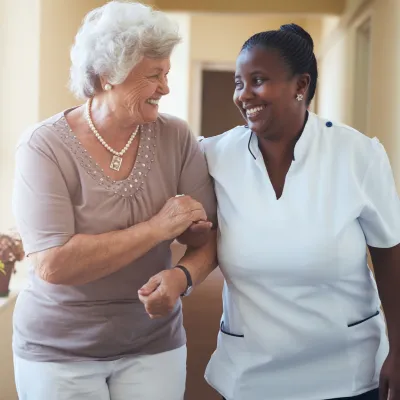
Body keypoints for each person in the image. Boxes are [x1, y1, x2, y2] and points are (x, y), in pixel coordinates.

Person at [140, 24, 400, 400]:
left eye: (258, 80)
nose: (244, 95)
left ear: (301, 85)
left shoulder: (358, 155)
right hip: (252, 374)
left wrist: (399, 348)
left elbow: (390, 258)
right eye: (238, 83)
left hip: (348, 371)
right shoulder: (214, 156)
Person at [11, 2, 216, 400]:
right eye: (154, 75)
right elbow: (54, 263)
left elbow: (206, 239)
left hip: (154, 344)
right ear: (108, 76)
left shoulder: (176, 137)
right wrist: (158, 228)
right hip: (58, 352)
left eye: (167, 73)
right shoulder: (44, 146)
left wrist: (183, 275)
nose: (166, 88)